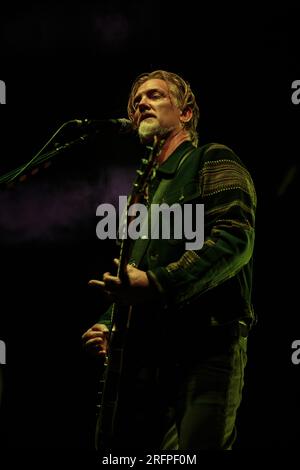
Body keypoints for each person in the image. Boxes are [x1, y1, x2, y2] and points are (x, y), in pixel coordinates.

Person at [82, 70, 257, 451]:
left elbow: (234, 240)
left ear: (186, 114)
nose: (140, 104)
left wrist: (158, 283)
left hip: (208, 346)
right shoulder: (142, 196)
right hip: (151, 357)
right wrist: (109, 324)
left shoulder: (213, 158)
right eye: (136, 102)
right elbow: (138, 274)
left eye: (155, 96)